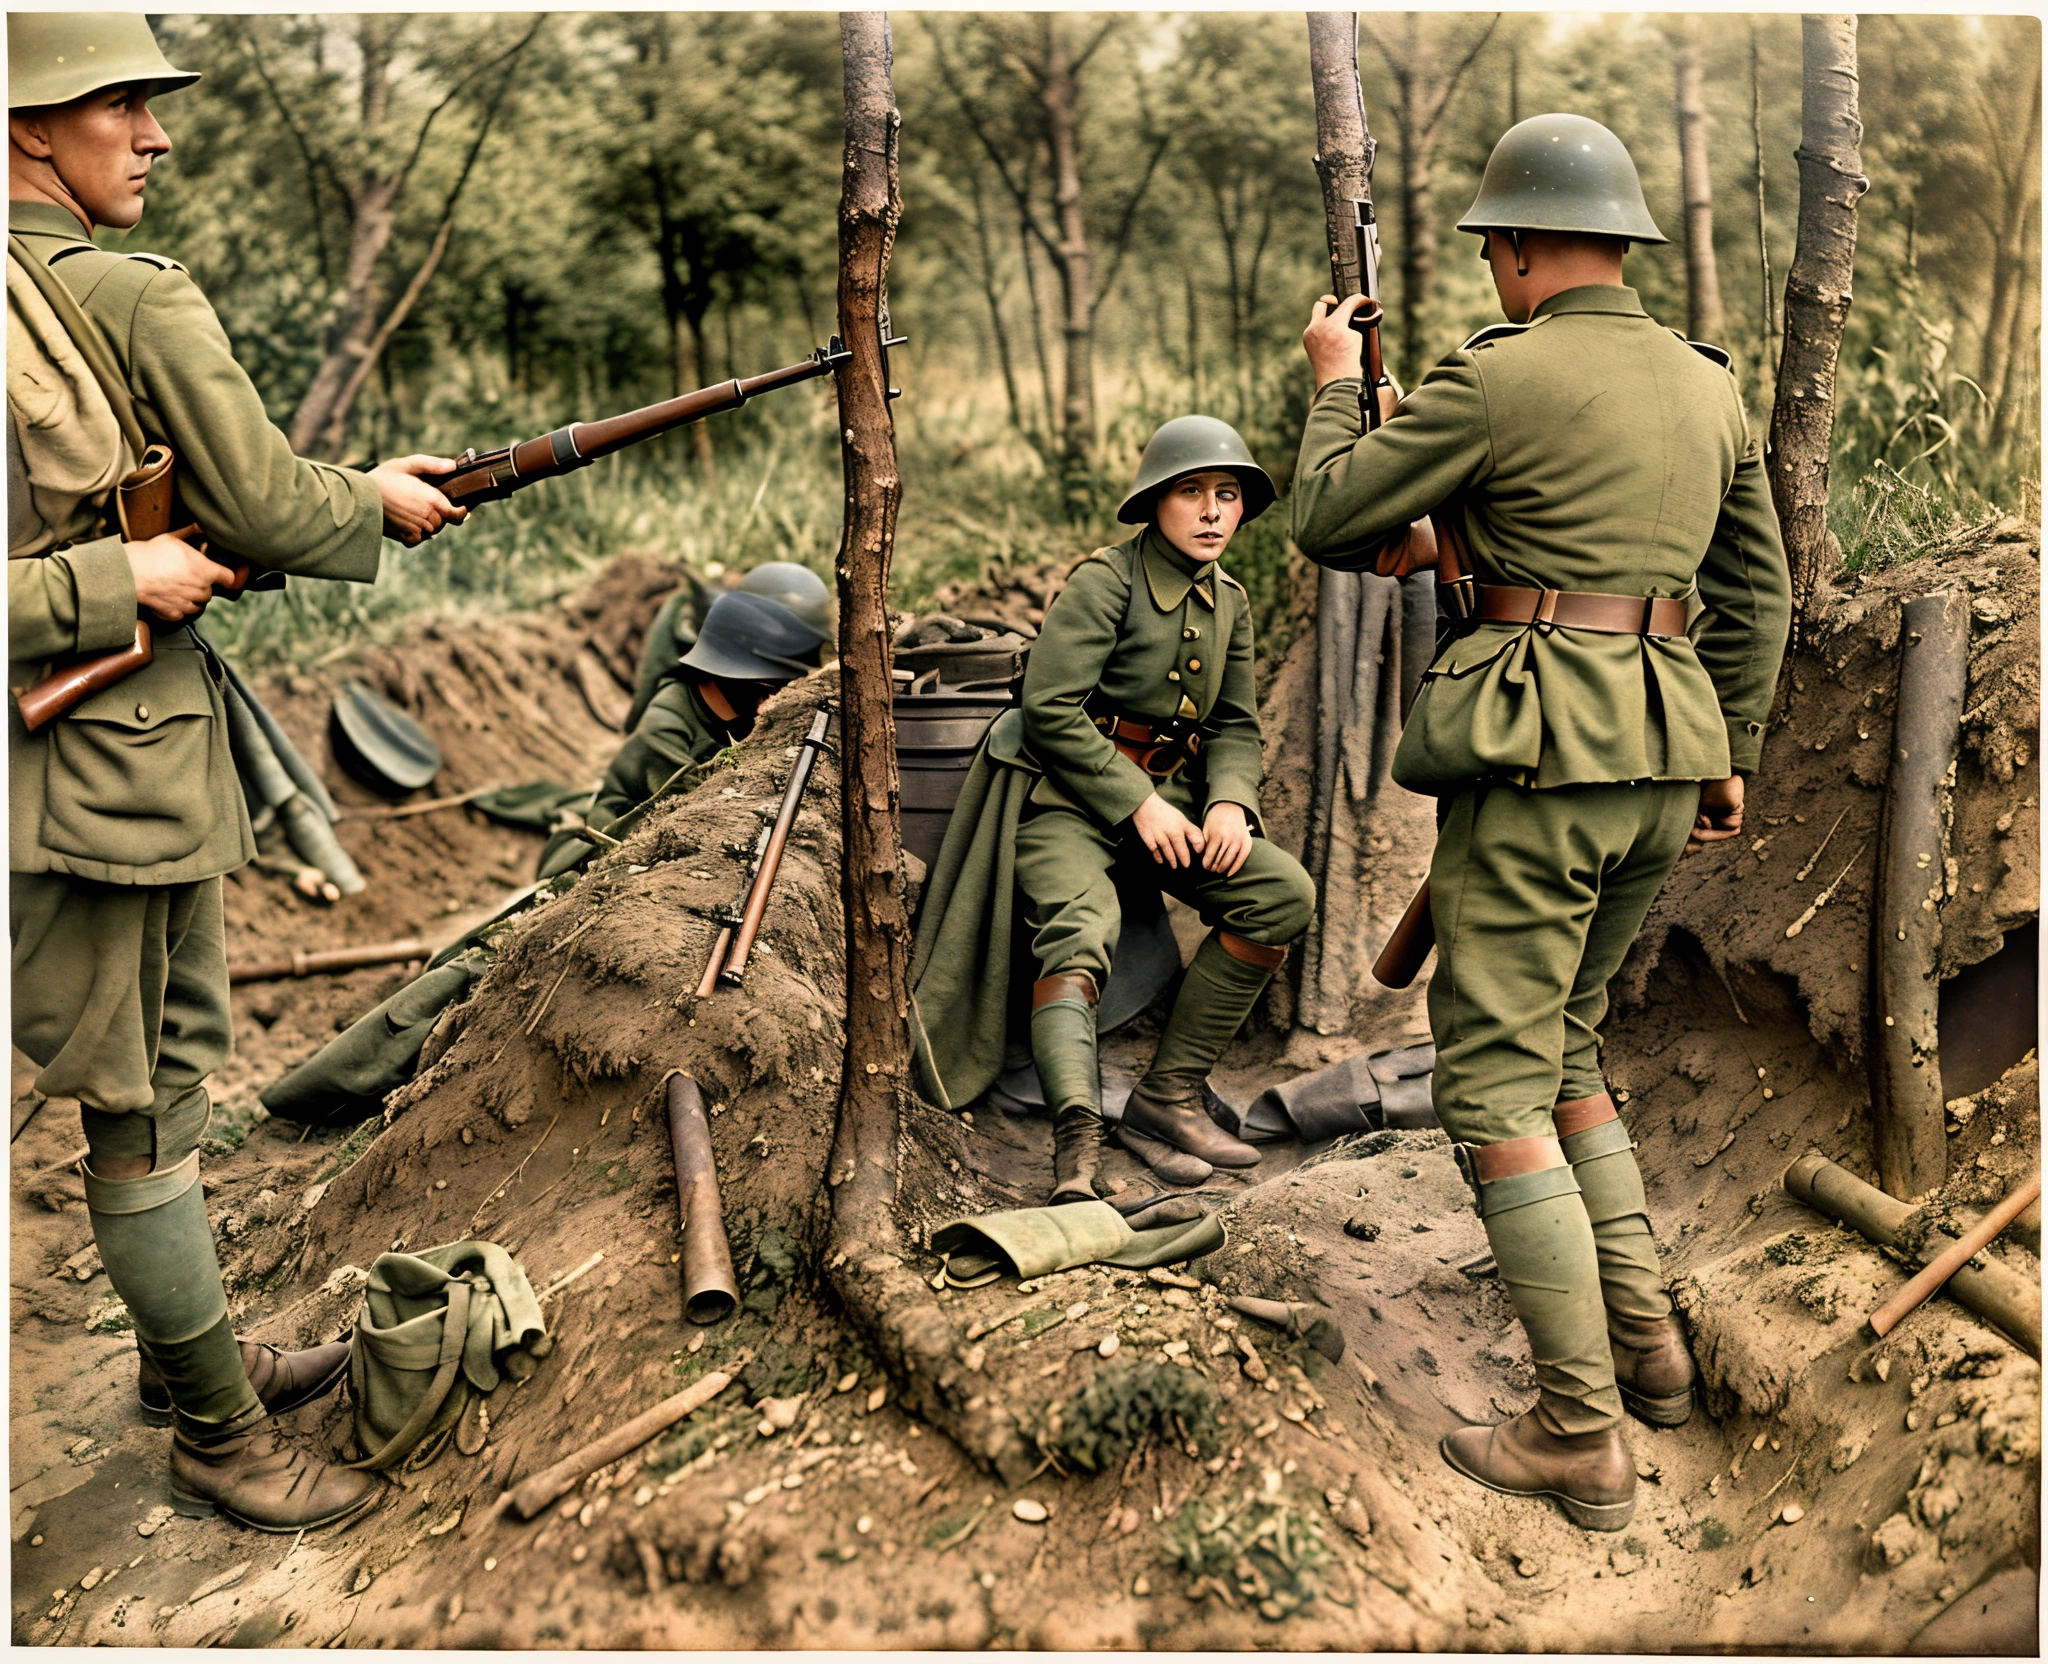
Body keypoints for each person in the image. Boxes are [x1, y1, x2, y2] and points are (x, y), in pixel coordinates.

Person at [1290, 113, 1790, 1533]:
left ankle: (1579, 1431)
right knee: (1565, 1049)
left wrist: (1338, 384)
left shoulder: (1498, 377)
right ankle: (1649, 1356)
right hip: (1663, 759)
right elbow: (1757, 595)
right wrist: (1729, 748)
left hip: (1536, 759)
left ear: (1512, 249)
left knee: (1492, 1085)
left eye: (1494, 255)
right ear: (1622, 242)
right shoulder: (1708, 386)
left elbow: (1330, 520)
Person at [8, 13, 466, 1532]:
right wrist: (362, 505)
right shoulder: (127, 292)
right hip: (91, 785)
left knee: (169, 1075)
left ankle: (180, 1355)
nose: (151, 135)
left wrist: (159, 560)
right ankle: (214, 1431)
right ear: (28, 130)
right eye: (119, 105)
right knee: (139, 1109)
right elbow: (267, 498)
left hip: (108, 773)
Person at [909, 417, 1316, 1202]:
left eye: (1226, 495)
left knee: (1279, 895)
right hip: (1066, 798)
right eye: (1191, 493)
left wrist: (1229, 803)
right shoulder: (1108, 581)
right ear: (1155, 504)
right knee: (1079, 934)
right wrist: (1135, 804)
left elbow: (1233, 723)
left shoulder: (1227, 599)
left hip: (1175, 803)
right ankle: (1078, 1137)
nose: (1210, 512)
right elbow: (1050, 707)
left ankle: (1165, 1099)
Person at [536, 580, 827, 879]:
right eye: (770, 687)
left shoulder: (736, 713)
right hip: (613, 843)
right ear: (728, 673)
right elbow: (696, 808)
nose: (776, 699)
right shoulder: (665, 724)